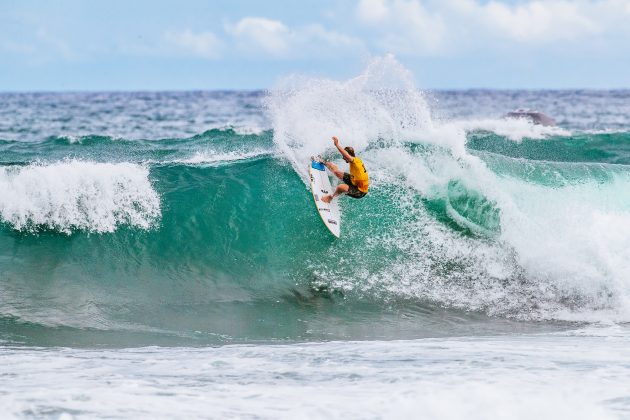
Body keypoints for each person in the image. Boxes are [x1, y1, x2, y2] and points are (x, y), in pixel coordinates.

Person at [321, 136, 369, 203]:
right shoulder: (356, 160)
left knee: (341, 187)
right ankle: (322, 161)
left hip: (360, 191)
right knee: (336, 172)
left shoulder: (354, 162)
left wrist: (337, 145)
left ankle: (330, 198)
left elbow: (346, 155)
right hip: (354, 180)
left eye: (344, 156)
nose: (343, 158)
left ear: (348, 155)